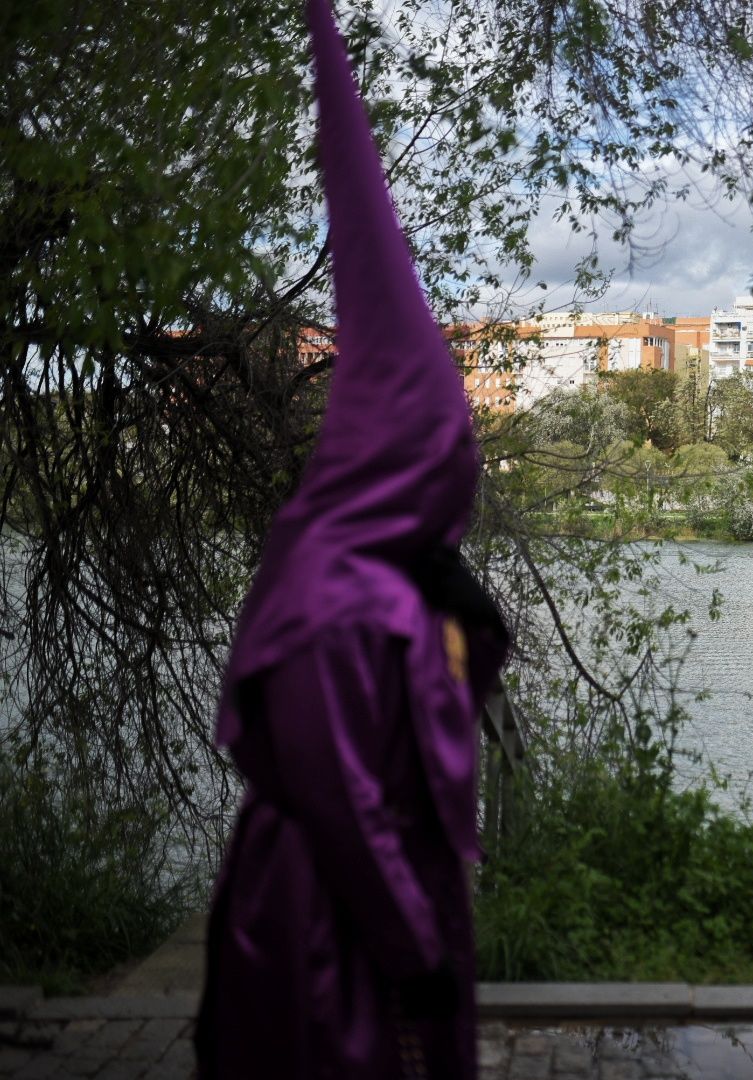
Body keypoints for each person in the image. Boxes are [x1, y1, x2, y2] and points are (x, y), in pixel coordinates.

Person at [195, 4, 509, 1077]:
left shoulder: (389, 579)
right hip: (327, 933)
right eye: (448, 440)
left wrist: (466, 616)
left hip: (387, 910)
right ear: (406, 448)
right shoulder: (331, 595)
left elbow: (425, 730)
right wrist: (414, 953)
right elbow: (343, 800)